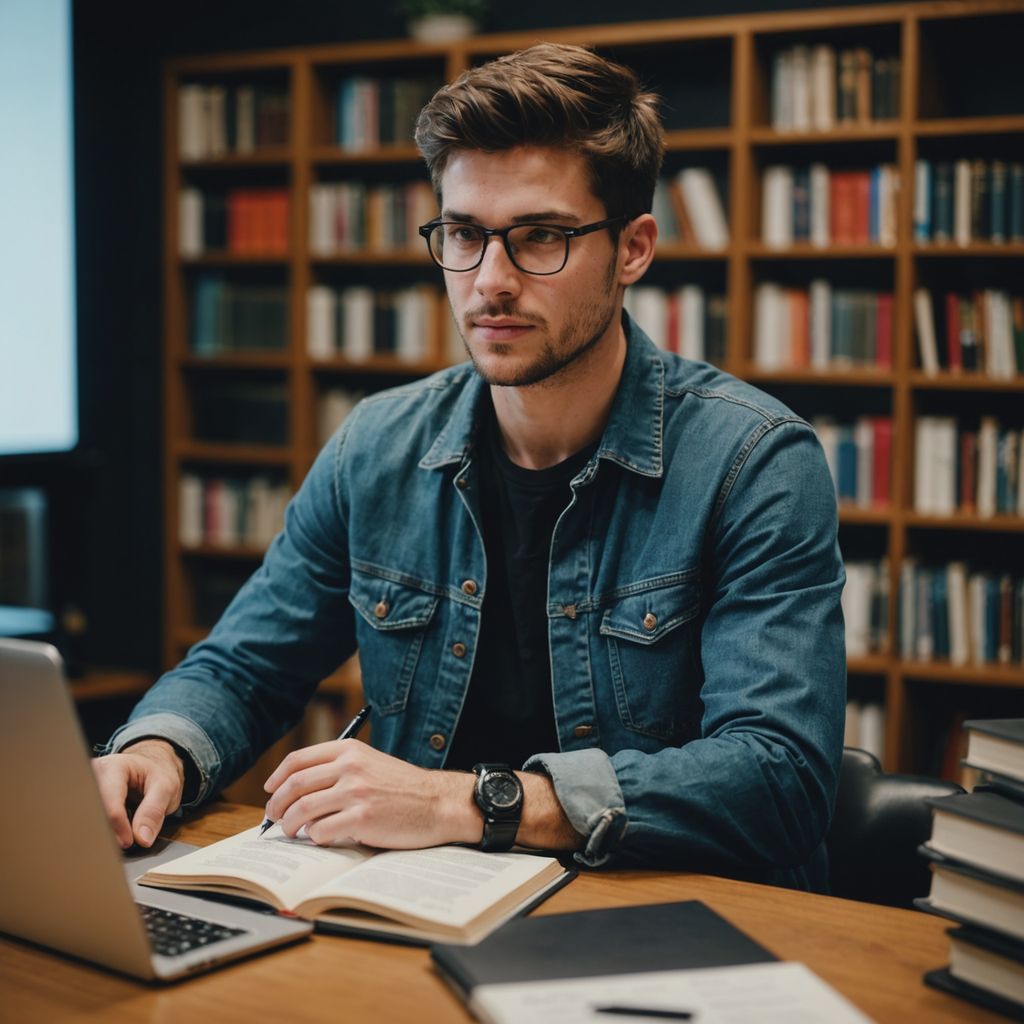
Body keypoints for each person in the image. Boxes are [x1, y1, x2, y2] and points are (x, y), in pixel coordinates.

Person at [94, 43, 845, 890]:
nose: (490, 281)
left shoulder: (755, 462)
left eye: (541, 238)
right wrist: (159, 748)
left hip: (670, 917)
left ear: (633, 250)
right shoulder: (375, 445)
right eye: (463, 234)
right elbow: (244, 667)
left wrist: (470, 803)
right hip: (420, 907)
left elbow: (779, 778)